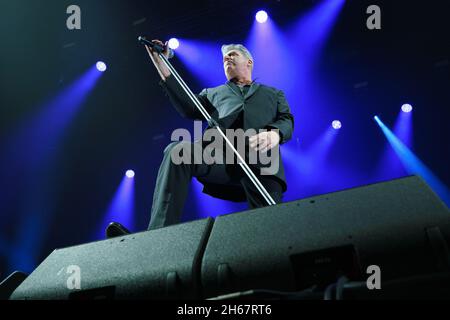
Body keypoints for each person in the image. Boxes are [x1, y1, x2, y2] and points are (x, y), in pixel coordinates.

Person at [106, 40, 294, 238]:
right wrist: (160, 63)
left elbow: (286, 119)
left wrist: (275, 133)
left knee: (269, 228)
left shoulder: (273, 94)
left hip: (263, 164)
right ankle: (157, 235)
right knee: (177, 151)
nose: (227, 58)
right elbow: (188, 106)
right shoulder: (213, 93)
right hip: (222, 159)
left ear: (249, 62)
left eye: (233, 55)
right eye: (224, 58)